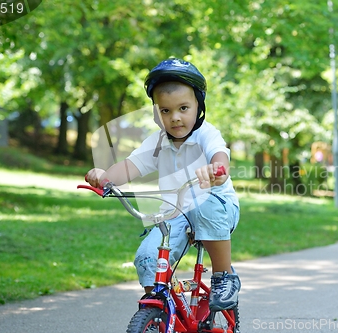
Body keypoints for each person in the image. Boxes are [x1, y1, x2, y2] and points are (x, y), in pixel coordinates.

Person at [85, 58, 241, 310]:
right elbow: (130, 166)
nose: (175, 118)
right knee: (147, 257)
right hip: (175, 212)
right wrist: (104, 177)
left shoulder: (206, 134)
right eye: (165, 111)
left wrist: (216, 169)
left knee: (202, 204)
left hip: (217, 207)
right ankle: (159, 311)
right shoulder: (156, 142)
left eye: (183, 108)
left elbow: (219, 155)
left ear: (198, 106)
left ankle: (225, 277)